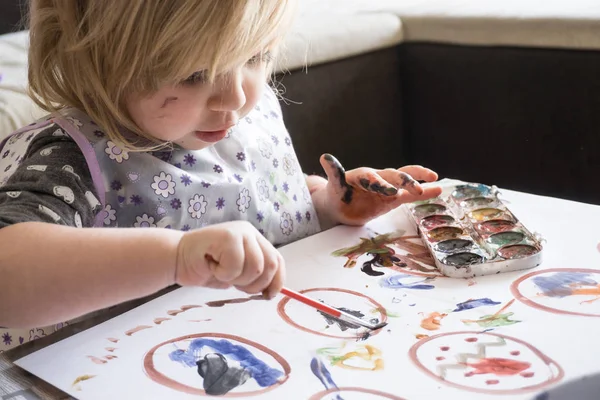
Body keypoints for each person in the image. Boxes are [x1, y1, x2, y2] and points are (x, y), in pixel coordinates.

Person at [0, 0, 441, 351]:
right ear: (95, 60)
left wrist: (327, 204)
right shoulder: (71, 158)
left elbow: (258, 206)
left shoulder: (238, 114)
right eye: (194, 74)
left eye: (256, 55)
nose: (234, 96)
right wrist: (176, 258)